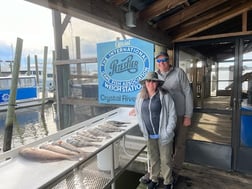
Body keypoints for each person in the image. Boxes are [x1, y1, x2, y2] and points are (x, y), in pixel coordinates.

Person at [139, 52, 193, 185]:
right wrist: (137, 108)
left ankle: (174, 171)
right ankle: (153, 172)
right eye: (159, 61)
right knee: (158, 145)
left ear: (169, 61)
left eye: (164, 60)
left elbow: (188, 92)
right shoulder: (155, 76)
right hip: (163, 117)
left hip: (180, 114)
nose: (161, 63)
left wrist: (188, 115)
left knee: (179, 144)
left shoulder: (179, 72)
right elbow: (147, 94)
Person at [133, 71, 177, 189]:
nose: (150, 84)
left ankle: (168, 181)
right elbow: (138, 112)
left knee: (166, 159)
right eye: (148, 81)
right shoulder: (140, 97)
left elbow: (172, 114)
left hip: (163, 134)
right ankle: (154, 179)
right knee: (153, 158)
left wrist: (168, 131)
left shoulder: (165, 96)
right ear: (145, 83)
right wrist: (143, 129)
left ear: (157, 83)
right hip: (149, 135)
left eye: (153, 81)